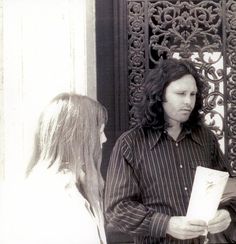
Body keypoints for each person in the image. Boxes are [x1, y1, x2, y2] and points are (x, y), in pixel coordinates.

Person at [104, 58, 235, 244]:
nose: (188, 101)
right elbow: (117, 209)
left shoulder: (206, 138)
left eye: (193, 94)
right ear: (159, 94)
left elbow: (227, 189)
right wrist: (166, 224)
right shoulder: (130, 143)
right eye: (180, 93)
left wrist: (225, 213)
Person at [0, 93, 108, 244]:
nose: (104, 139)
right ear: (80, 137)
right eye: (100, 132)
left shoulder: (74, 185)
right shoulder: (51, 194)